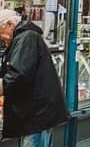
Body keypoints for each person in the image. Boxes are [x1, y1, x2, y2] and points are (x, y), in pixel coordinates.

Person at [0, 8, 69, 146]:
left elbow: (19, 75)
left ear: (9, 24)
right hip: (33, 113)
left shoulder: (27, 38)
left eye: (0, 32)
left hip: (37, 115)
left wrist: (1, 87)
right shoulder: (20, 38)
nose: (1, 37)